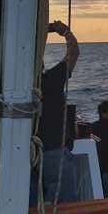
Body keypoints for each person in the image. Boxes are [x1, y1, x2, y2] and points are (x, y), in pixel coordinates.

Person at [37, 19, 80, 204]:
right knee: (62, 208)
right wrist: (66, 33)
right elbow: (73, 54)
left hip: (24, 153)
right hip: (53, 151)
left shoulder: (12, 87)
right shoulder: (51, 81)